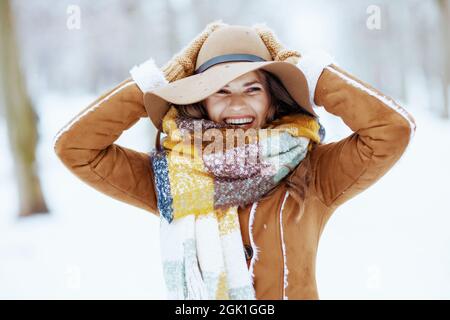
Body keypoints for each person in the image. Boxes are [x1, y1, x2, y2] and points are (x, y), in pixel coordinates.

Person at [53, 21, 416, 300]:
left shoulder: (314, 171)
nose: (237, 104)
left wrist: (305, 71)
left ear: (273, 100)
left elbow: (391, 129)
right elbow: (76, 148)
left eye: (252, 88)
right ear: (202, 101)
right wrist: (161, 80)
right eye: (220, 90)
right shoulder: (171, 179)